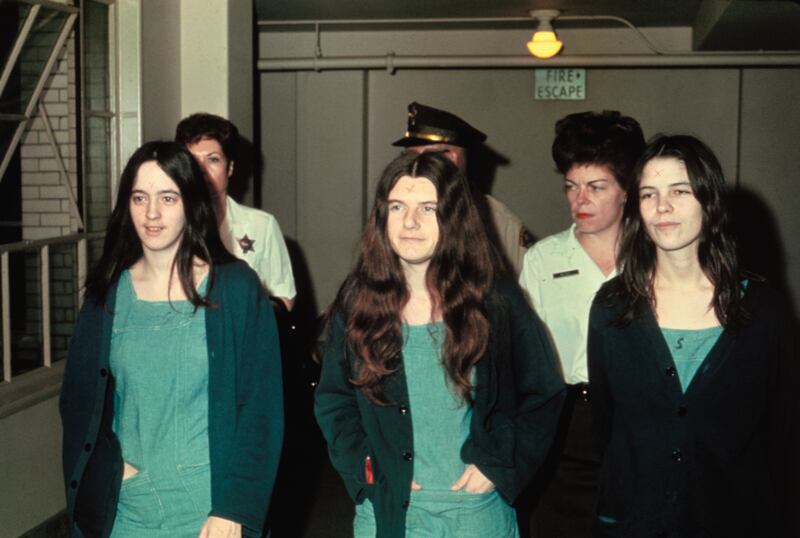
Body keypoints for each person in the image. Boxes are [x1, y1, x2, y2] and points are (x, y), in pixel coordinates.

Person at [314, 151, 565, 538]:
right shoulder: (358, 300)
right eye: (397, 206)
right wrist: (367, 469)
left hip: (475, 513)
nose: (410, 222)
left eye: (428, 208)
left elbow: (542, 392)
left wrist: (499, 463)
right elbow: (334, 399)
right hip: (387, 510)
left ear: (452, 217)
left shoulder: (493, 299)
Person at [59, 141, 284, 538]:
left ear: (190, 204)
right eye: (139, 197)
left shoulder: (235, 288)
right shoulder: (107, 294)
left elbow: (260, 410)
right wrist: (112, 468)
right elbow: (78, 401)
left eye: (167, 197)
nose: (151, 213)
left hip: (210, 509)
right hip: (127, 506)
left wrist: (235, 507)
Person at [588, 135, 798, 537]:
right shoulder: (611, 307)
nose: (662, 207)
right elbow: (606, 426)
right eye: (649, 194)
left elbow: (782, 435)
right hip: (637, 523)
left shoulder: (765, 310)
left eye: (679, 191)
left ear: (709, 200)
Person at [518, 110, 645, 537]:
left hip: (639, 416)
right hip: (565, 422)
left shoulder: (654, 259)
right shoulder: (543, 260)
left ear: (627, 191)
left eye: (596, 187)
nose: (580, 200)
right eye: (571, 187)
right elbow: (524, 356)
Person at [393, 101, 532, 275]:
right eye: (410, 157)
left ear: (453, 158)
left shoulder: (499, 223)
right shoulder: (395, 216)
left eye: (428, 158)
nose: (416, 166)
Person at [175, 113, 296, 310]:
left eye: (213, 160)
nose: (202, 171)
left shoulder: (261, 225)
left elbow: (284, 297)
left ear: (229, 168)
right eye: (192, 161)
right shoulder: (166, 225)